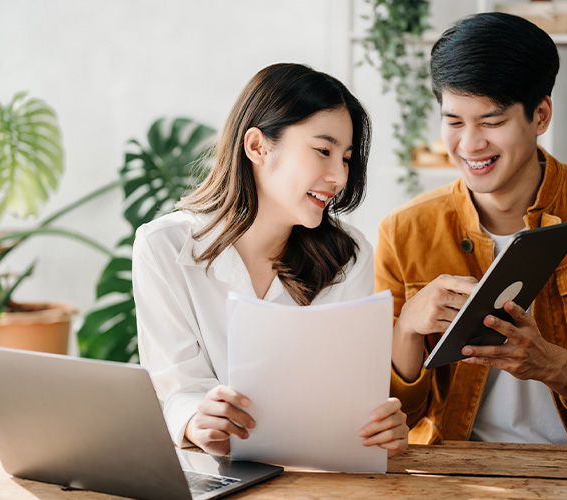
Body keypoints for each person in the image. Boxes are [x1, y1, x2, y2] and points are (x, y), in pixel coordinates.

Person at [376, 13, 567, 448]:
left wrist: (552, 365)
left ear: (541, 114)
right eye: (454, 122)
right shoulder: (404, 231)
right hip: (455, 473)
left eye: (492, 122)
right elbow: (389, 418)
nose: (470, 144)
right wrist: (405, 330)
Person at [135, 63, 408, 457]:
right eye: (323, 151)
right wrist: (198, 420)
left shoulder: (349, 255)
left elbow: (341, 398)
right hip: (208, 472)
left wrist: (377, 425)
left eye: (346, 158)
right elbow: (175, 388)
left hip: (315, 475)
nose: (339, 176)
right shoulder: (163, 246)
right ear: (257, 147)